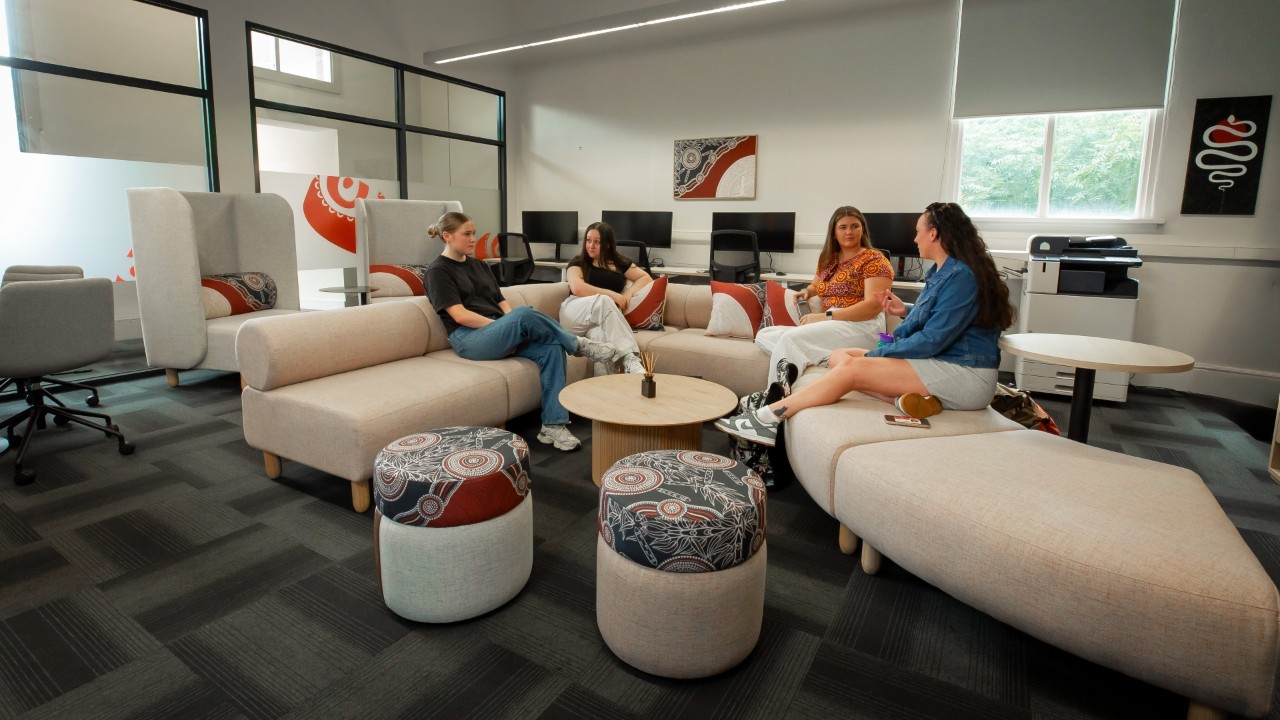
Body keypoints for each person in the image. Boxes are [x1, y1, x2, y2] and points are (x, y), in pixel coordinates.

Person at [716, 202, 1014, 447]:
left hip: (965, 375)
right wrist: (906, 310)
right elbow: (945, 320)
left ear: (934, 234)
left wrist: (876, 355)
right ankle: (905, 400)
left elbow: (934, 339)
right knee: (838, 356)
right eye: (842, 227)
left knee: (852, 366)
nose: (914, 239)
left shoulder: (959, 276)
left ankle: (769, 417)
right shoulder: (943, 272)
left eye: (918, 232)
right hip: (944, 363)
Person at [424, 211, 624, 451]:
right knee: (525, 314)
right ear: (447, 236)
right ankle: (580, 345)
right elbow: (460, 315)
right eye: (466, 234)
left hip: (497, 332)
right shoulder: (438, 271)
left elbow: (500, 300)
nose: (473, 238)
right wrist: (507, 325)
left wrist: (511, 324)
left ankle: (553, 425)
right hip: (469, 338)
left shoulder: (479, 265)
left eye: (473, 233)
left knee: (551, 348)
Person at [754, 205, 894, 388]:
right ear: (834, 232)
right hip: (833, 324)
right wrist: (808, 291)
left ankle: (774, 401)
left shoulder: (875, 260)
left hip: (861, 325)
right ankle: (826, 358)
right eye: (843, 227)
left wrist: (824, 317)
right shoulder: (828, 258)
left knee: (789, 340)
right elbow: (817, 284)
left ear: (863, 230)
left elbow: (872, 308)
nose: (849, 232)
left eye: (855, 226)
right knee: (764, 335)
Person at [561, 222, 650, 375]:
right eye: (588, 240)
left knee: (604, 344)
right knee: (604, 300)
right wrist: (612, 294)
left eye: (597, 242)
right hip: (574, 313)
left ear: (607, 244)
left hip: (599, 320)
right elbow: (577, 288)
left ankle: (603, 388)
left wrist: (627, 294)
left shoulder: (619, 263)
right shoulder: (578, 262)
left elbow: (645, 278)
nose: (591, 245)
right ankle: (630, 358)